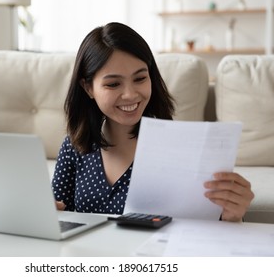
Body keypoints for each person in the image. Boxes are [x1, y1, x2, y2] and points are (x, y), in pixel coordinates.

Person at [52, 22, 254, 222]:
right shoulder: (74, 147)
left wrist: (233, 216)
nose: (130, 94)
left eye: (140, 78)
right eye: (113, 84)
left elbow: (208, 226)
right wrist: (49, 212)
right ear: (88, 88)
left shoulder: (181, 148)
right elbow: (60, 218)